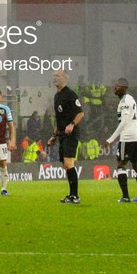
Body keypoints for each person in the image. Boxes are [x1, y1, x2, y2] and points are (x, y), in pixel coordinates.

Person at [105, 78, 137, 203]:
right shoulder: (128, 99)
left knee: (121, 165)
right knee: (136, 165)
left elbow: (124, 121)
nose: (115, 88)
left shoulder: (125, 101)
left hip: (127, 138)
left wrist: (111, 139)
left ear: (124, 86)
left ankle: (125, 196)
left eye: (117, 86)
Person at [49, 69, 84, 203]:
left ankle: (75, 196)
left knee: (69, 163)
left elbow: (80, 113)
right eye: (54, 76)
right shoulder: (57, 96)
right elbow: (59, 119)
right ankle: (71, 195)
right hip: (62, 134)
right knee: (65, 164)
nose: (55, 78)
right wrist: (54, 135)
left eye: (57, 75)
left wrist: (72, 125)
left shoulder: (70, 94)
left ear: (65, 78)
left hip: (71, 133)